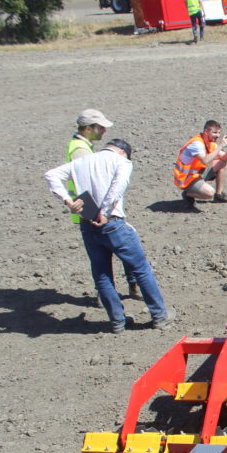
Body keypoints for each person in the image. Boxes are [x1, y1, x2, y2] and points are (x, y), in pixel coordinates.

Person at [44, 140, 175, 334]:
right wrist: (104, 211)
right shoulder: (121, 162)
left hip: (87, 223)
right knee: (141, 269)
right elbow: (118, 186)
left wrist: (68, 200)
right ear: (123, 152)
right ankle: (160, 316)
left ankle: (117, 322)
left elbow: (50, 174)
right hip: (112, 223)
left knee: (102, 274)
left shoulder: (81, 162)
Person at [67, 109, 139, 300]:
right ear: (89, 128)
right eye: (101, 127)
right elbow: (86, 186)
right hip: (94, 215)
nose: (104, 132)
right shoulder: (80, 150)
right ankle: (110, 296)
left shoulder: (84, 147)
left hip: (95, 213)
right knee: (111, 255)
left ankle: (122, 291)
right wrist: (100, 217)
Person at [174, 120, 227, 205]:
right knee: (209, 193)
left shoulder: (210, 143)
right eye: (214, 132)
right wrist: (221, 146)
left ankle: (219, 195)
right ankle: (187, 194)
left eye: (219, 133)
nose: (217, 136)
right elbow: (205, 160)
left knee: (223, 163)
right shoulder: (197, 143)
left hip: (197, 172)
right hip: (186, 178)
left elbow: (226, 158)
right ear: (206, 131)